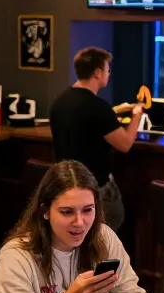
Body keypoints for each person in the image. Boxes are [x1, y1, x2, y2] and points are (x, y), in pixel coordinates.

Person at [0, 160, 153, 293]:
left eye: (88, 210)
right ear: (45, 212)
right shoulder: (15, 257)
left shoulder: (103, 237)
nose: (79, 222)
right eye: (67, 212)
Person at [49, 47, 142, 231]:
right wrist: (137, 115)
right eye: (107, 69)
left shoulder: (59, 102)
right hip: (94, 191)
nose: (109, 73)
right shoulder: (97, 107)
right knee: (110, 227)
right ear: (97, 73)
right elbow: (125, 144)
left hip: (64, 187)